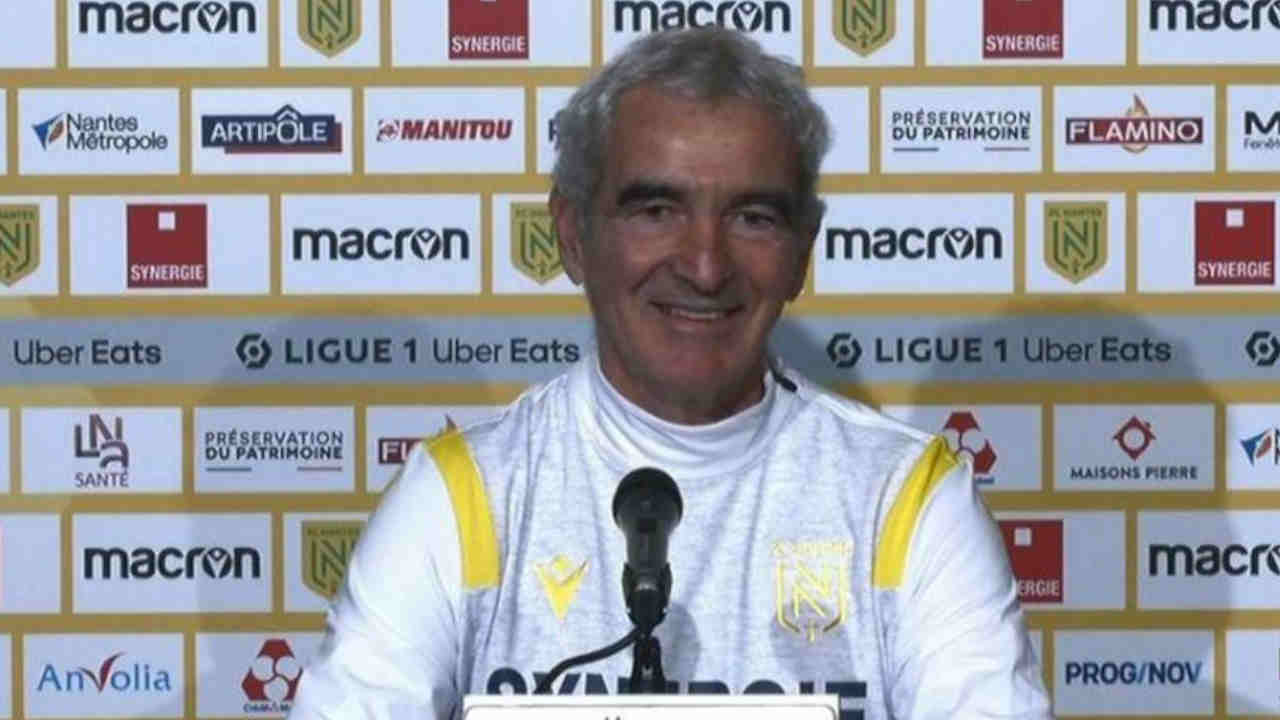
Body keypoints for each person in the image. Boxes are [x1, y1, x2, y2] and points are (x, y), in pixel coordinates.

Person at [289, 27, 1051, 720]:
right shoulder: (462, 497)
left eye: (753, 217)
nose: (705, 266)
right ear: (573, 237)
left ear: (802, 251)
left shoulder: (907, 501)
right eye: (657, 211)